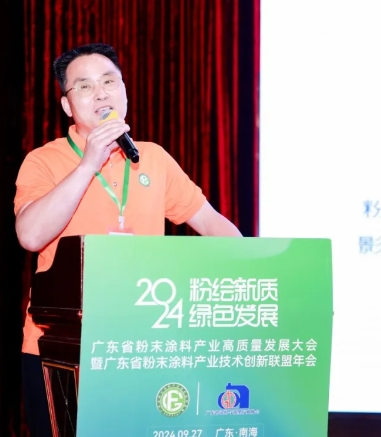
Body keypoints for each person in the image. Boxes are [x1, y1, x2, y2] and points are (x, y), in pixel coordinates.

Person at [13, 42, 242, 436]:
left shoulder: (153, 158)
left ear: (124, 92)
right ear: (67, 105)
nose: (101, 93)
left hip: (140, 346)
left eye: (109, 82)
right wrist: (89, 163)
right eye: (85, 86)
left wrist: (258, 271)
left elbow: (211, 223)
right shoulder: (44, 160)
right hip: (61, 349)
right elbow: (30, 235)